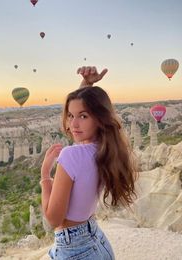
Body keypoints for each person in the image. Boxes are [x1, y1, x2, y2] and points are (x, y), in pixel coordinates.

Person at [40, 66, 137, 259]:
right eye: (70, 115)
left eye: (82, 116)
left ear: (99, 118)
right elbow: (85, 113)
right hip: (98, 243)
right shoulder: (107, 149)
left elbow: (53, 219)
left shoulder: (70, 155)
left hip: (73, 249)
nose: (73, 124)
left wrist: (45, 176)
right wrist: (87, 86)